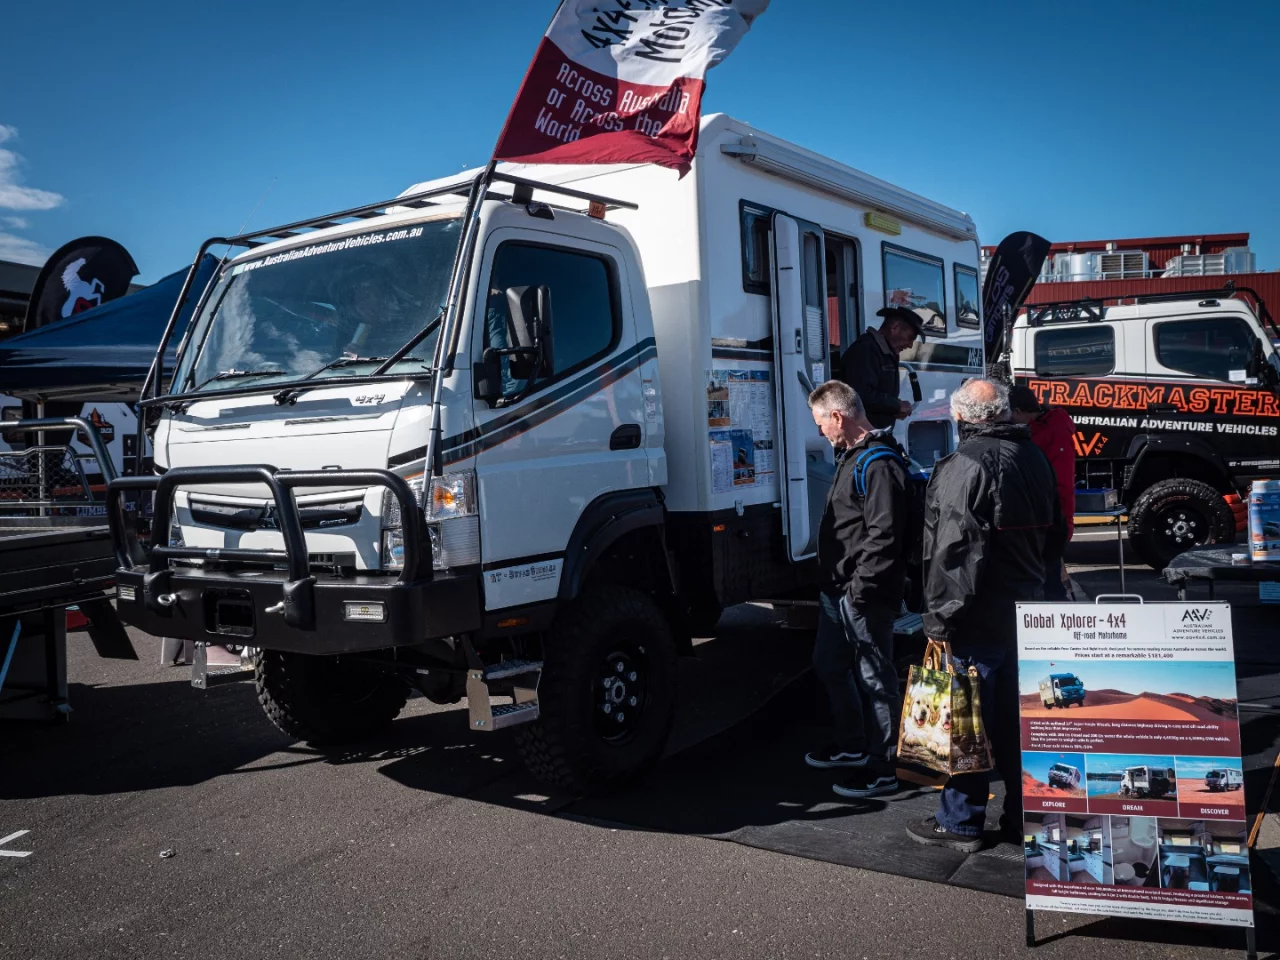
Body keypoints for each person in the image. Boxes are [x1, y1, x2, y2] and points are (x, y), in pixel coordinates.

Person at [905, 379, 1063, 852]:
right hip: (1027, 610)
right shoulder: (1032, 456)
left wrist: (939, 622)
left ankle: (960, 822)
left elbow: (955, 554)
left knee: (965, 723)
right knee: (1019, 724)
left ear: (962, 418)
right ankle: (1023, 815)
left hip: (979, 616)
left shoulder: (966, 464)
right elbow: (1056, 533)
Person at [805, 380, 909, 799]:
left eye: (820, 423)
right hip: (838, 589)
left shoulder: (879, 463)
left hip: (863, 592)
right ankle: (851, 745)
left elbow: (885, 536)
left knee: (876, 678)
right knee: (829, 664)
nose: (819, 433)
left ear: (838, 416)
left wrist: (860, 590)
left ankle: (884, 765)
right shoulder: (852, 456)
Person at [1010, 385, 1077, 601]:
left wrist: (1063, 526)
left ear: (1019, 411)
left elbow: (1062, 484)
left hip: (1050, 521)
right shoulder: (1046, 427)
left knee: (1048, 583)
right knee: (1049, 578)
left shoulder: (1051, 432)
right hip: (1049, 520)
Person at [840, 306, 925, 430]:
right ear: (894, 327)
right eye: (910, 338)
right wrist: (896, 405)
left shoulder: (884, 353)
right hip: (862, 434)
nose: (910, 345)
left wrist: (893, 409)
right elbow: (860, 395)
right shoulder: (865, 350)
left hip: (876, 432)